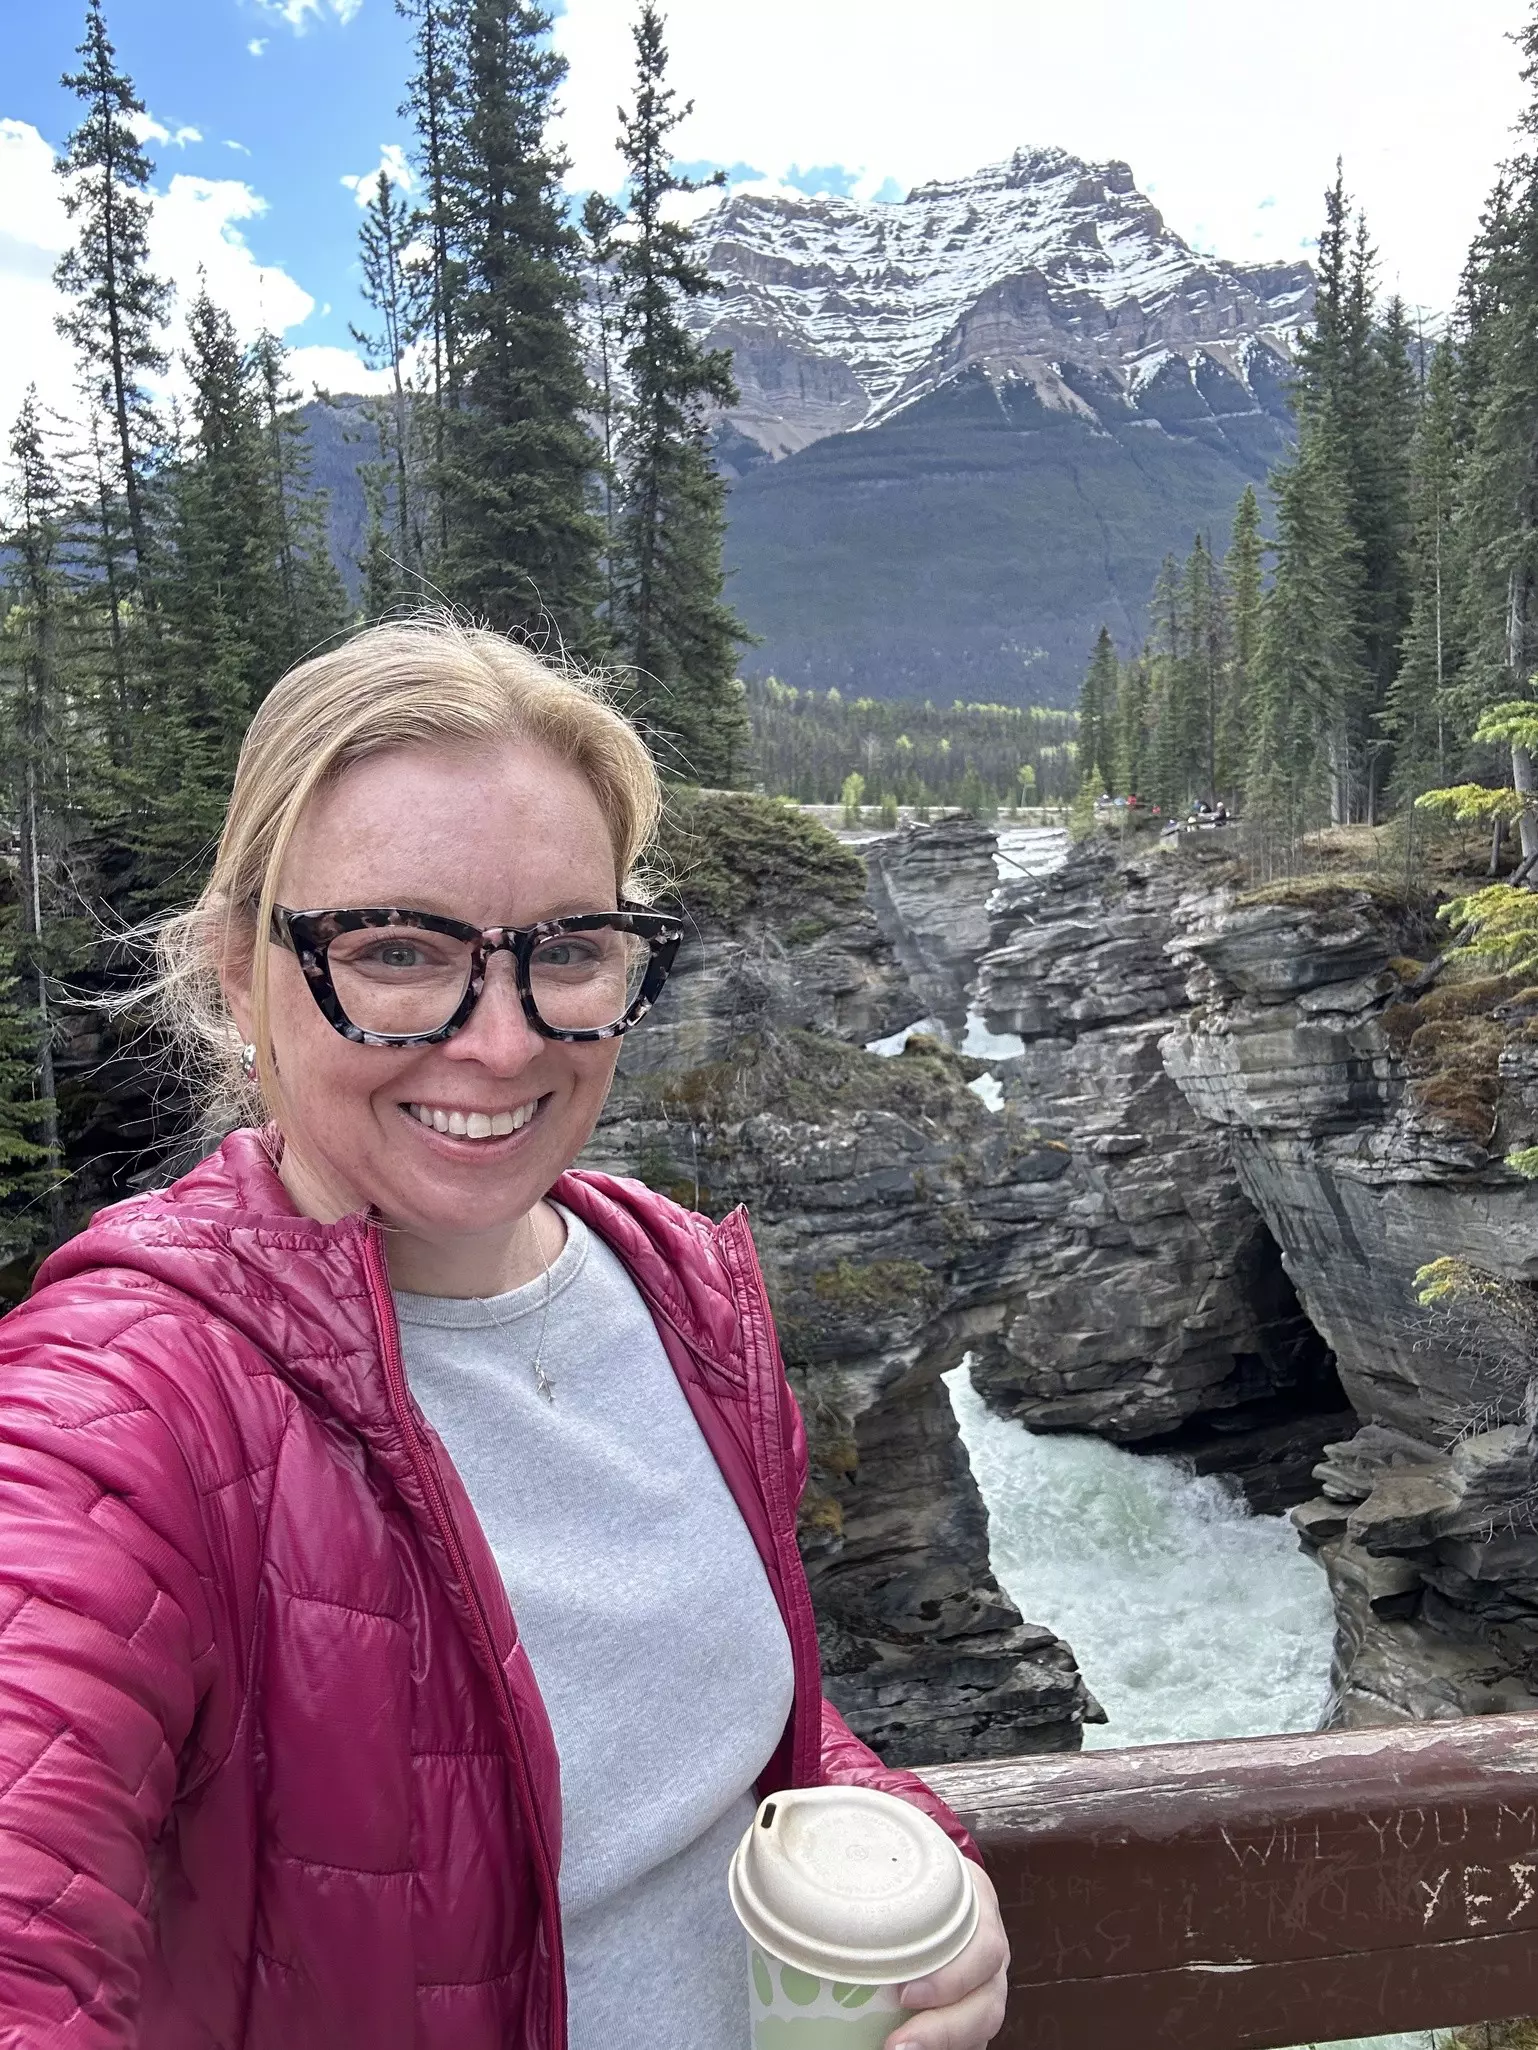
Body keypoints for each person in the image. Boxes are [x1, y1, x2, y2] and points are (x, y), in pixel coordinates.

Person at [0, 619, 1009, 2050]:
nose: (503, 1038)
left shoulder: (674, 1283)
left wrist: (899, 1855)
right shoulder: (118, 1406)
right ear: (239, 973)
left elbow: (706, 1728)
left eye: (570, 949)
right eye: (399, 948)